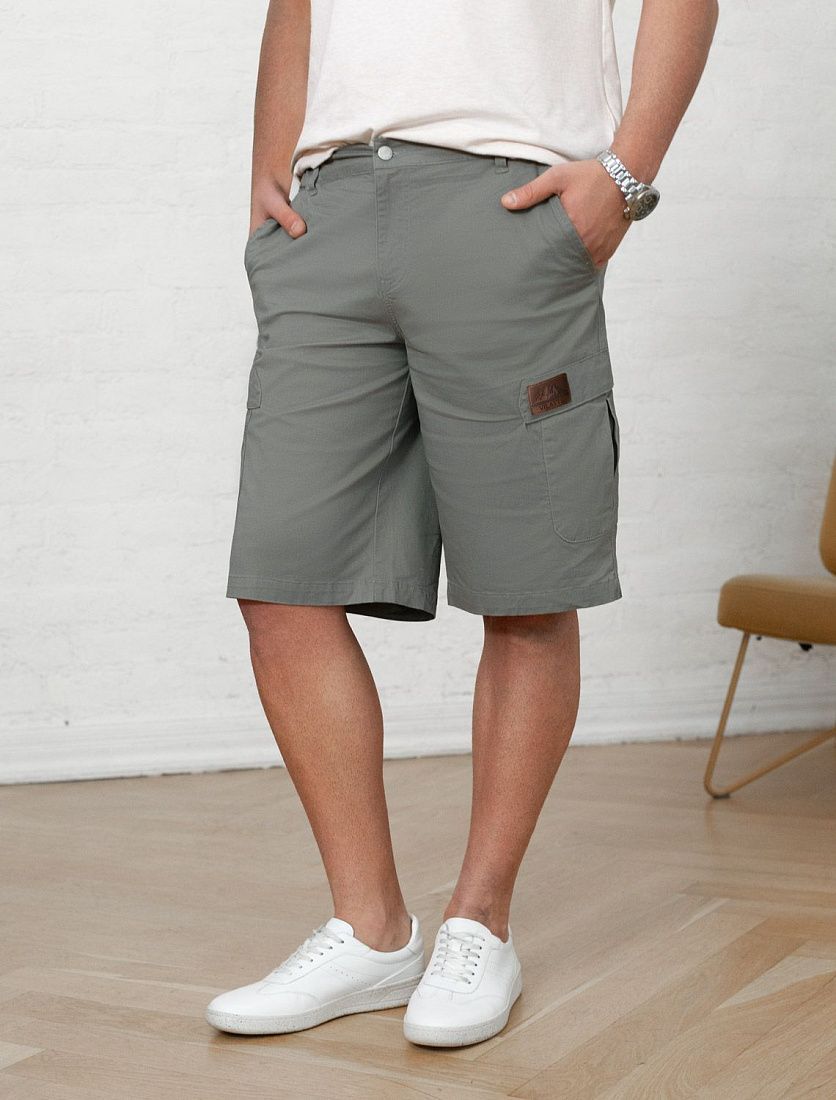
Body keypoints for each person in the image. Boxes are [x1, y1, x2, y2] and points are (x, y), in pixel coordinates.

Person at [206, 0, 719, 1048]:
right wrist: (271, 166)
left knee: (526, 584)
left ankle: (479, 920)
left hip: (509, 201)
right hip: (330, 207)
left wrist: (623, 178)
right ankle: (370, 929)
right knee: (281, 578)